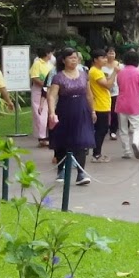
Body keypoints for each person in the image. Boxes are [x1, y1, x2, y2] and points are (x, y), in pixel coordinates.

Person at [45, 49, 93, 186]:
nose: (74, 60)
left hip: (82, 109)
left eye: (75, 58)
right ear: (63, 60)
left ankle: (81, 173)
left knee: (81, 140)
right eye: (71, 58)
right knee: (63, 140)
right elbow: (52, 96)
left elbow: (89, 94)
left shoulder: (84, 74)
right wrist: (52, 112)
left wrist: (93, 110)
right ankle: (61, 169)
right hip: (65, 109)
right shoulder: (58, 77)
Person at [114, 48, 139, 159]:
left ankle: (126, 151)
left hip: (121, 102)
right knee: (136, 127)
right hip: (134, 103)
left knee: (123, 129)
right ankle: (135, 142)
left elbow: (119, 85)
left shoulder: (120, 73)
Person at [88, 48, 114, 162]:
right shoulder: (95, 71)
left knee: (101, 129)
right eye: (102, 58)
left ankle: (96, 152)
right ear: (95, 60)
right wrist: (115, 73)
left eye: (105, 57)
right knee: (101, 130)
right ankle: (96, 154)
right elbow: (107, 85)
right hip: (99, 104)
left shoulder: (97, 71)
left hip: (102, 103)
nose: (105, 59)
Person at [29, 48, 55, 146]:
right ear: (47, 53)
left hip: (49, 90)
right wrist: (45, 85)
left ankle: (48, 134)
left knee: (49, 112)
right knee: (40, 113)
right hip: (39, 91)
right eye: (51, 52)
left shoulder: (51, 64)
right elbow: (34, 77)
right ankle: (42, 137)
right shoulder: (37, 63)